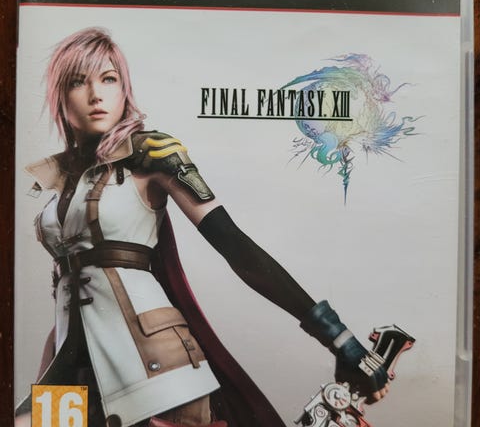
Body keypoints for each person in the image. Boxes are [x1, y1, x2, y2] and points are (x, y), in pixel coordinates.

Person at [15, 28, 388, 427]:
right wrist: (47, 378)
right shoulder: (61, 183)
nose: (96, 95)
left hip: (157, 369)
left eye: (109, 79)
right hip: (76, 368)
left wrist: (339, 338)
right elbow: (73, 293)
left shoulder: (151, 156)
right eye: (78, 82)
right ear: (59, 95)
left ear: (125, 89)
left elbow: (234, 245)